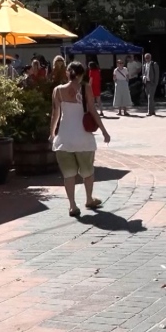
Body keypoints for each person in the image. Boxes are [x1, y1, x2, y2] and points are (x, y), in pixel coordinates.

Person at [49, 61, 110, 218]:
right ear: (82, 74)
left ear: (67, 73)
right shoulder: (85, 88)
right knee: (88, 172)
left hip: (64, 138)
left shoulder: (58, 91)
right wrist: (104, 131)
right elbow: (93, 111)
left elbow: (55, 114)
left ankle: (72, 206)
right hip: (83, 137)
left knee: (68, 175)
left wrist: (52, 133)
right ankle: (89, 199)